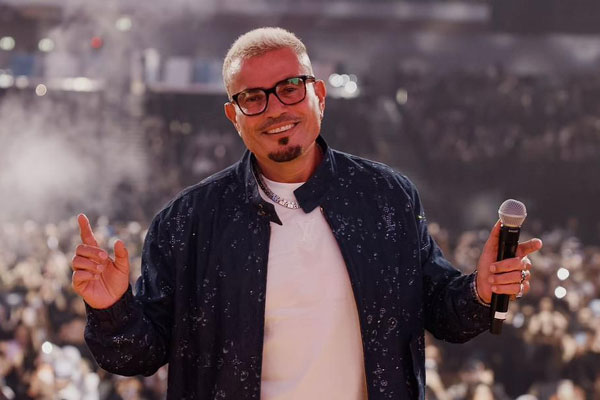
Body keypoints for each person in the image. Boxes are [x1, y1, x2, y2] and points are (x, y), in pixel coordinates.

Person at [72, 27, 543, 400]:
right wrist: (112, 309)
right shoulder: (187, 222)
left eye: (290, 88)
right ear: (234, 116)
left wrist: (480, 290)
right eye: (252, 97)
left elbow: (440, 311)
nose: (275, 108)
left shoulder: (386, 198)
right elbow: (138, 355)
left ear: (319, 93)